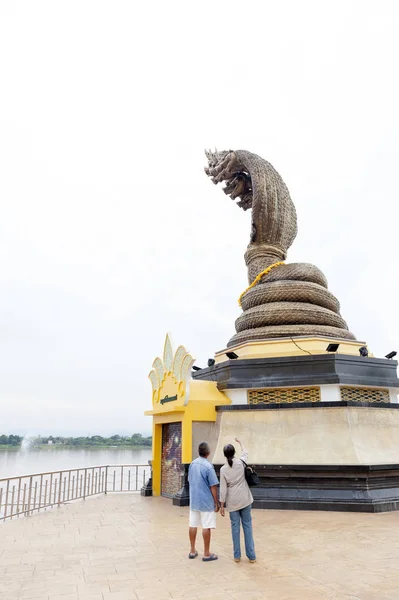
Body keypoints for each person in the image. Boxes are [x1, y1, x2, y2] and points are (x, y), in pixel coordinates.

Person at [219, 437, 256, 563]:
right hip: (245, 498)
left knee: (235, 529)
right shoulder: (241, 463)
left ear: (224, 455)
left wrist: (222, 505)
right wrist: (241, 442)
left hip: (233, 502)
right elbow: (245, 452)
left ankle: (237, 556)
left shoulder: (223, 469)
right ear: (234, 452)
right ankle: (251, 556)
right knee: (248, 527)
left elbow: (223, 489)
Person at [188, 441, 219, 562]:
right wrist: (216, 502)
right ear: (208, 452)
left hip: (194, 500)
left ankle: (192, 550)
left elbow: (189, 479)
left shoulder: (192, 464)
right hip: (206, 501)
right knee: (207, 526)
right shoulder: (208, 466)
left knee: (193, 524)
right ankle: (206, 553)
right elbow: (213, 486)